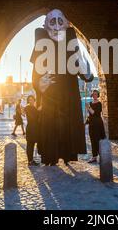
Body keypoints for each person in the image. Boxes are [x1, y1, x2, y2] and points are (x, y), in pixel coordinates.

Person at [30, 9, 93, 166]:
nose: (57, 27)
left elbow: (85, 74)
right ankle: (50, 156)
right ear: (46, 26)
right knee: (49, 125)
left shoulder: (71, 46)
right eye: (52, 22)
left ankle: (67, 154)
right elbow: (35, 75)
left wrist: (81, 60)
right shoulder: (42, 45)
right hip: (49, 96)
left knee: (67, 125)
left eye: (60, 22)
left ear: (66, 24)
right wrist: (40, 84)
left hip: (68, 94)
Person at [85, 90, 106, 163]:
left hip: (97, 124)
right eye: (93, 94)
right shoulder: (90, 103)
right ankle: (94, 157)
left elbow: (94, 113)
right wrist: (86, 122)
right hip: (91, 124)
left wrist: (88, 107)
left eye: (96, 94)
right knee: (92, 140)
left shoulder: (99, 104)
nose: (94, 95)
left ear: (98, 95)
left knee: (98, 140)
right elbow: (90, 115)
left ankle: (101, 156)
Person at [24, 95, 39, 166]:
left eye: (32, 99)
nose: (31, 101)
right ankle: (30, 161)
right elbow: (32, 118)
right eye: (29, 100)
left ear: (34, 100)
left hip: (34, 128)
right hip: (30, 128)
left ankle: (31, 160)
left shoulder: (33, 107)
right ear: (28, 101)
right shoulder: (28, 107)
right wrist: (39, 111)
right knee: (30, 145)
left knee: (32, 145)